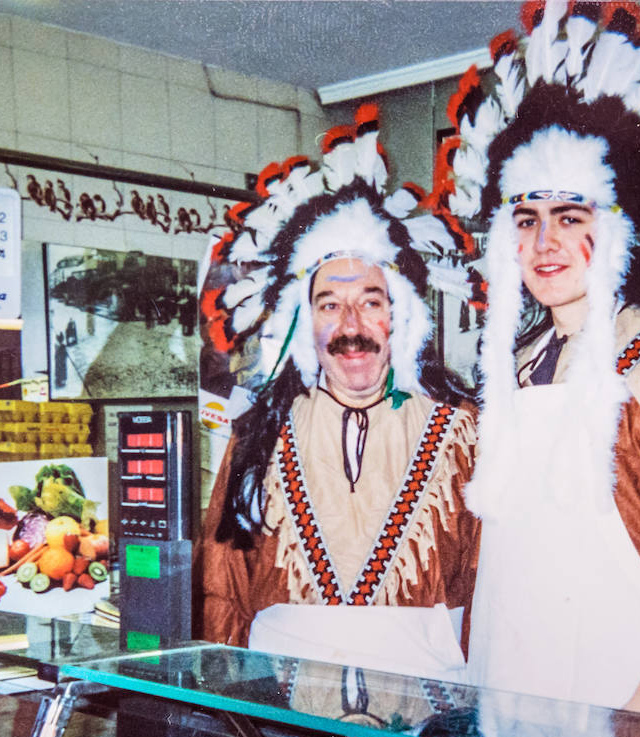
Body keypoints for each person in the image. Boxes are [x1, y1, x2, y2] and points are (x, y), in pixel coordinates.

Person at [437, 1, 640, 726]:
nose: (545, 242)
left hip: (626, 689)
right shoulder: (513, 365)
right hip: (509, 680)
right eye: (526, 220)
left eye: (571, 216)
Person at [198, 107, 481, 685]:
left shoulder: (464, 432)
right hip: (284, 706)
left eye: (371, 302)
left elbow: (491, 584)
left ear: (400, 316)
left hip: (428, 720)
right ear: (306, 323)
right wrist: (227, 704)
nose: (351, 325)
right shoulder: (257, 433)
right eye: (330, 304)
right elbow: (222, 585)